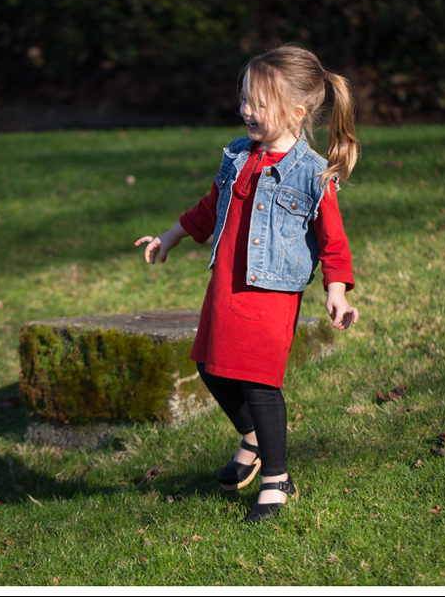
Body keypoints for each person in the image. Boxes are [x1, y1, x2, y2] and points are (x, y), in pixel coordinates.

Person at [134, 43, 360, 523]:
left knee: (258, 383)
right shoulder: (237, 155)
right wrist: (170, 237)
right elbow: (208, 208)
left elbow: (334, 242)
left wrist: (336, 291)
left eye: (259, 103)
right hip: (227, 283)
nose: (246, 111)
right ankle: (253, 438)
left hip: (271, 292)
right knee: (212, 367)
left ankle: (277, 479)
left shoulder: (312, 174)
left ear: (296, 112)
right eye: (244, 100)